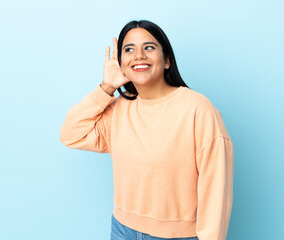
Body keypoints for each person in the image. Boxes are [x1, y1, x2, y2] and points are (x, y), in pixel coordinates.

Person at [60, 19, 234, 240]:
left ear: (167, 60)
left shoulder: (198, 109)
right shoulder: (120, 108)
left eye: (149, 47)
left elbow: (216, 189)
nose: (139, 55)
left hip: (177, 236)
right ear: (121, 63)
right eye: (129, 49)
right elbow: (71, 134)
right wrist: (106, 88)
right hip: (122, 229)